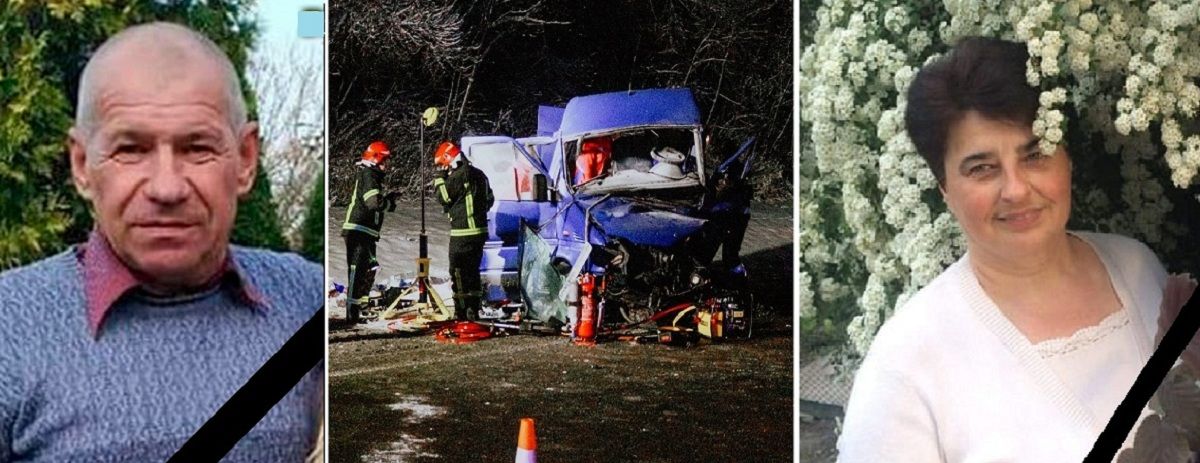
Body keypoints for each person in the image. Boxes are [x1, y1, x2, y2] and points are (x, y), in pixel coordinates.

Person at [837, 37, 1170, 462]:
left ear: (1067, 158)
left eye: (1035, 155)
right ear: (944, 190)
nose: (1015, 190)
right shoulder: (907, 364)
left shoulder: (1138, 268)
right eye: (982, 169)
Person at [0, 22, 322, 461]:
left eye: (197, 148)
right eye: (130, 149)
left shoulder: (309, 300)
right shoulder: (9, 325)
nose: (167, 188)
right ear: (81, 165)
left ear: (246, 159)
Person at [432, 141, 494, 321]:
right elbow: (489, 199)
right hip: (480, 232)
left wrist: (439, 178)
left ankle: (461, 312)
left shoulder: (459, 175)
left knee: (458, 272)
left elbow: (444, 197)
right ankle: (474, 310)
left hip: (462, 233)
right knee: (472, 271)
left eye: (443, 165)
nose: (443, 168)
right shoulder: (480, 175)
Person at [341, 140, 392, 323]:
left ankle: (360, 306)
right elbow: (373, 202)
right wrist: (388, 203)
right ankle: (352, 311)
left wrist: (386, 199)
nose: (387, 164)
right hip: (358, 230)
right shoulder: (369, 174)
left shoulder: (372, 176)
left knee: (369, 268)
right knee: (357, 270)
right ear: (375, 159)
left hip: (366, 232)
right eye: (384, 160)